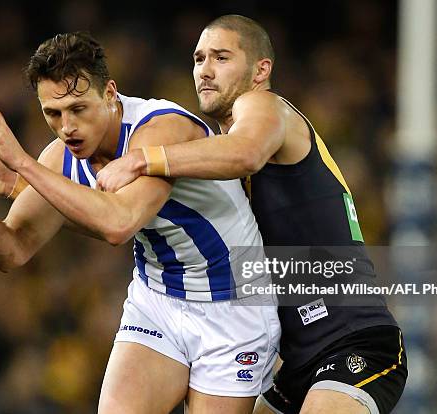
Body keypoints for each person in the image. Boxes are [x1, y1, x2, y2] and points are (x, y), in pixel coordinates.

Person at [0, 32, 280, 413]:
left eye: (78, 108)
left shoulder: (159, 128)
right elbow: (11, 249)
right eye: (52, 114)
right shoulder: (61, 157)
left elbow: (119, 222)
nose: (66, 126)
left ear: (110, 94)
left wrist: (22, 165)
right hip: (158, 298)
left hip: (232, 303)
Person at [96, 15, 407, 414]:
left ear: (262, 70)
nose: (205, 70)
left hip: (355, 339)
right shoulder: (213, 156)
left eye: (221, 57)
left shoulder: (266, 108)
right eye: (198, 59)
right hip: (297, 360)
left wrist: (142, 159)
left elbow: (247, 153)